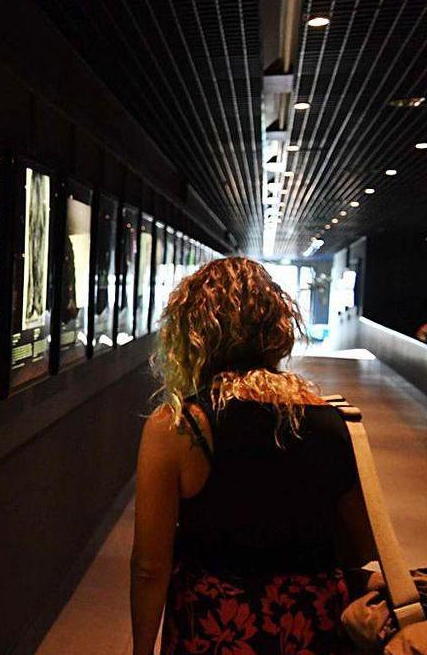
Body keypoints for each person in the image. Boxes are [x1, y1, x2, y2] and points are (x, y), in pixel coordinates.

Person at [130, 257, 374, 654]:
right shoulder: (332, 420)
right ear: (276, 328)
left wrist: (142, 649)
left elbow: (149, 566)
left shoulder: (179, 426)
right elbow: (362, 546)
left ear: (194, 333)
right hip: (309, 627)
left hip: (214, 626)